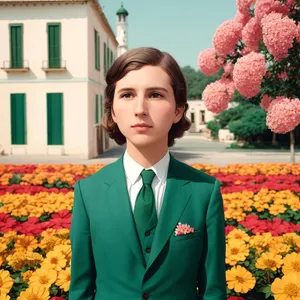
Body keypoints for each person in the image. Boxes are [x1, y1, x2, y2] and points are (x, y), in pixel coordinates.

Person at [69, 47, 226, 300]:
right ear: (112, 110)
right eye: (127, 94)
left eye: (155, 94)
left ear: (178, 110)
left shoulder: (204, 192)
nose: (140, 108)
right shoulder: (88, 193)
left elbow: (213, 290)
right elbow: (81, 290)